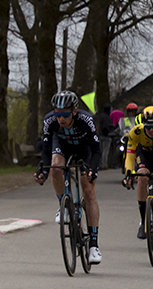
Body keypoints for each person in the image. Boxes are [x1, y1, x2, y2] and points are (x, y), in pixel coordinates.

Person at [34, 90, 102, 263]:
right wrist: (43, 170)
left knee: (88, 191)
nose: (61, 119)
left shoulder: (86, 119)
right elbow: (46, 149)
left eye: (65, 114)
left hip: (85, 148)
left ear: (74, 111)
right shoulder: (50, 121)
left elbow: (96, 151)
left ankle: (93, 245)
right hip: (62, 145)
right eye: (58, 114)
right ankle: (63, 205)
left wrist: (92, 170)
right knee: (55, 167)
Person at [122, 106, 153, 239]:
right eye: (148, 127)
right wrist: (128, 173)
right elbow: (130, 155)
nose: (152, 130)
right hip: (144, 154)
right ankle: (143, 221)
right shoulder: (135, 132)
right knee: (141, 176)